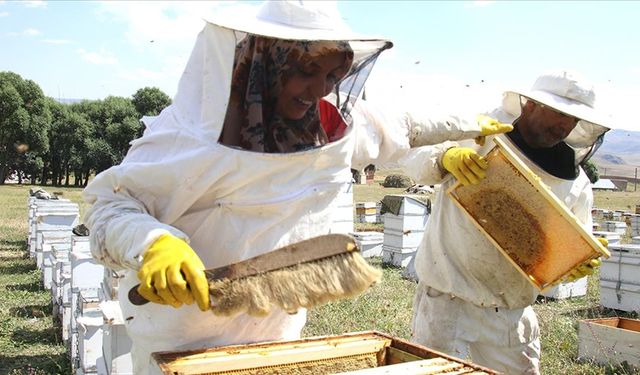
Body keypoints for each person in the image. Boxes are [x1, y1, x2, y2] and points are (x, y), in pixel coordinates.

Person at [82, 1, 511, 373]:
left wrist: (470, 124)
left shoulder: (333, 128)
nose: (323, 89)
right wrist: (155, 243)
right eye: (308, 71)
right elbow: (108, 204)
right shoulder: (194, 132)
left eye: (333, 75)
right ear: (266, 63)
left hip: (278, 333)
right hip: (181, 341)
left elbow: (406, 123)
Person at [403, 70, 612, 374]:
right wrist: (446, 157)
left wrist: (573, 264)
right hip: (448, 306)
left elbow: (566, 250)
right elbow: (413, 158)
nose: (563, 125)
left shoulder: (577, 185)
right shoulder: (478, 131)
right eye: (557, 112)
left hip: (512, 319)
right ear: (528, 104)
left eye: (572, 119)